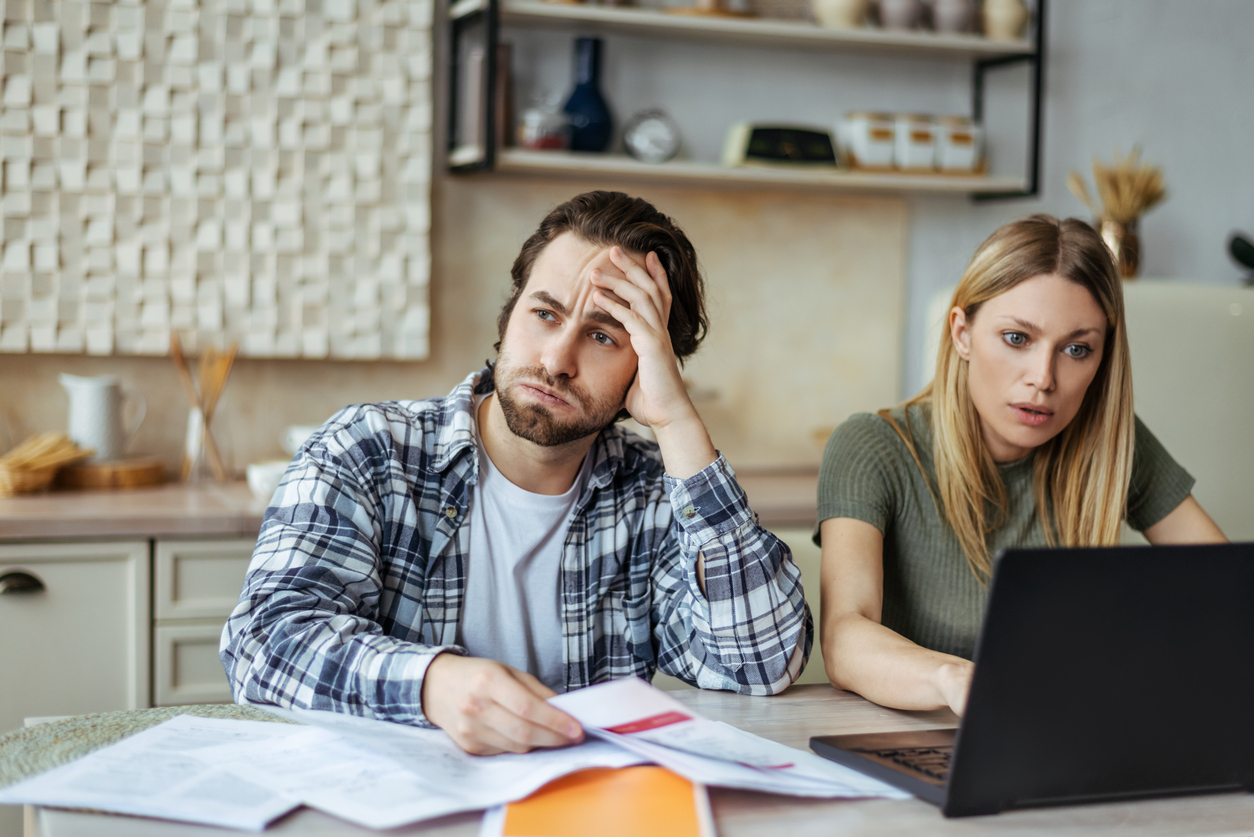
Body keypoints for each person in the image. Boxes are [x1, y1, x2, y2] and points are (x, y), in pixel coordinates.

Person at [221, 190, 811, 755]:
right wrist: (434, 686)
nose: (556, 360)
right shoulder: (368, 451)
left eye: (604, 335)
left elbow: (759, 663)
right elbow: (264, 644)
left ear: (648, 366)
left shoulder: (658, 491)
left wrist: (678, 420)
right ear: (509, 314)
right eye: (545, 313)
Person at [816, 214, 1226, 717]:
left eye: (1077, 349)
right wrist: (957, 680)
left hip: (1069, 738)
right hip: (922, 742)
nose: (1044, 378)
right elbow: (844, 637)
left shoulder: (1113, 446)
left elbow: (1230, 595)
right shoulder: (872, 447)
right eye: (1017, 339)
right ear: (962, 333)